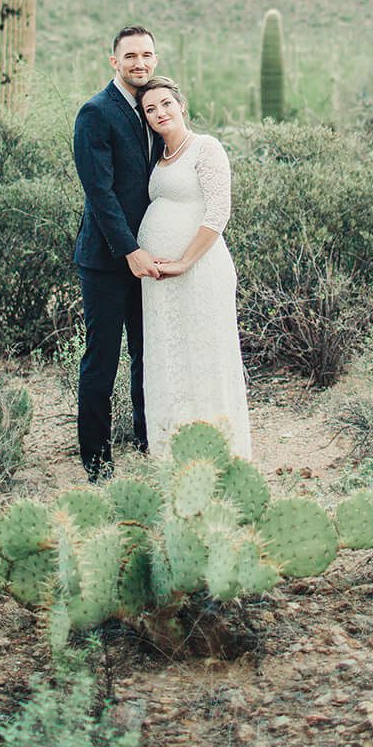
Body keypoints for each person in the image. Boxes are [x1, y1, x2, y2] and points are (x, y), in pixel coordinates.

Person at [134, 76, 253, 460]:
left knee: (205, 352)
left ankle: (219, 449)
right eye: (150, 109)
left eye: (165, 103)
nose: (159, 113)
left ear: (181, 105)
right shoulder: (158, 156)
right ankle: (174, 448)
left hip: (200, 270)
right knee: (169, 354)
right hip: (160, 279)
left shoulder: (205, 148)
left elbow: (219, 212)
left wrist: (185, 260)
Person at [71, 25, 161, 479]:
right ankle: (96, 461)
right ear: (114, 61)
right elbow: (100, 193)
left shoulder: (154, 107)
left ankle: (148, 442)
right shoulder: (95, 113)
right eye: (130, 56)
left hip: (151, 258)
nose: (139, 63)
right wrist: (129, 250)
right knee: (102, 359)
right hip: (107, 260)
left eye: (146, 55)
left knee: (149, 354)